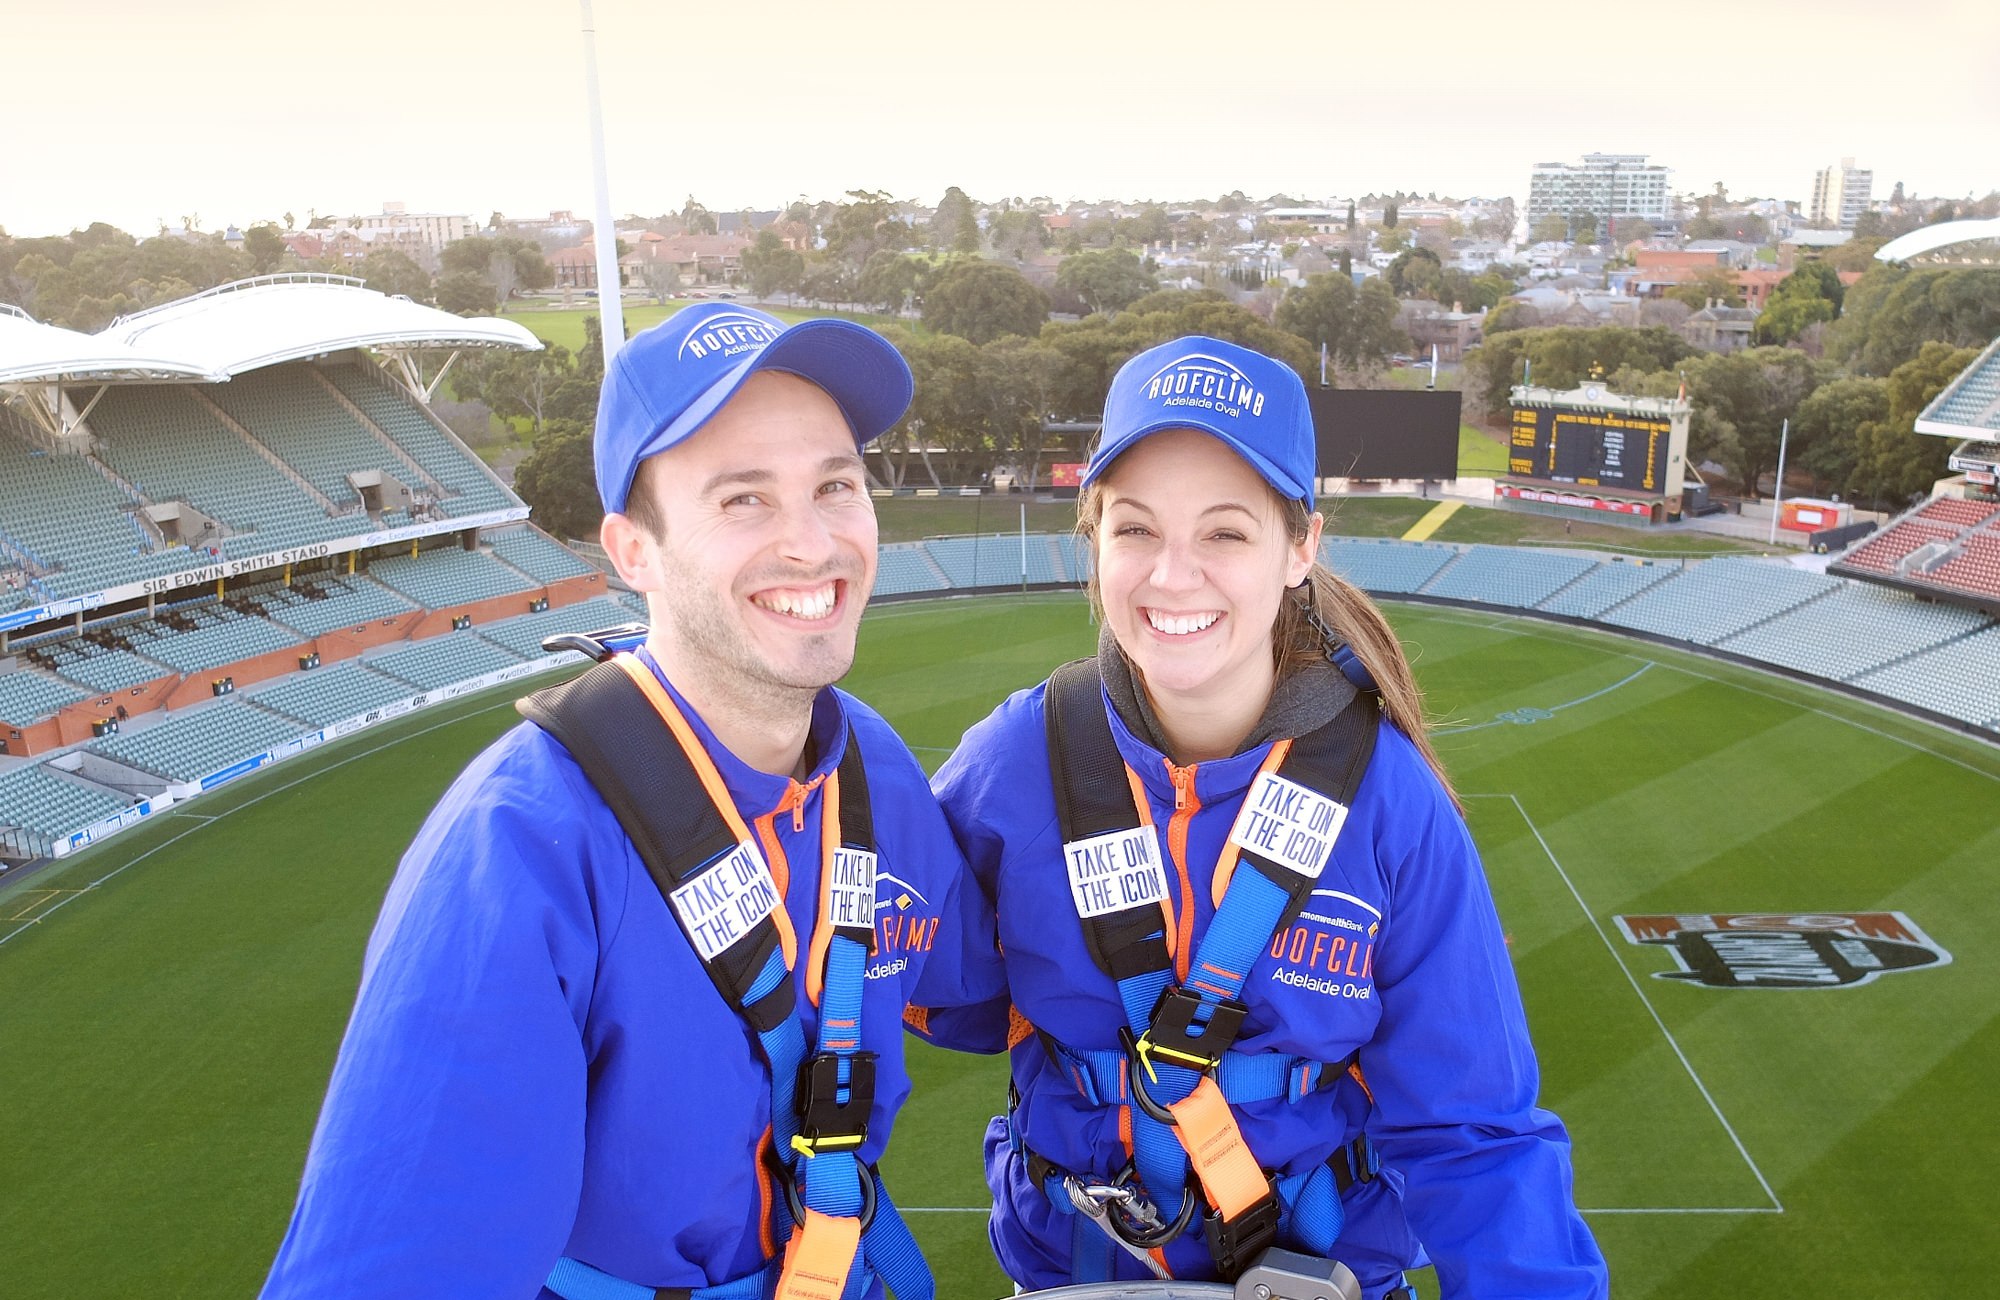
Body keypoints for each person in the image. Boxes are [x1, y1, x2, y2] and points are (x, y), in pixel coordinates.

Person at [261, 303, 1001, 1300]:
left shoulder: (864, 766)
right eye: (743, 500)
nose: (811, 541)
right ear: (631, 551)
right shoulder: (519, 847)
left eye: (835, 484)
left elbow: (990, 990)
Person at [927, 336, 1607, 1298]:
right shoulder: (1016, 763)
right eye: (1134, 529)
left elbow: (1475, 1130)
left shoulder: (1386, 801)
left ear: (1301, 548)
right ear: (1094, 540)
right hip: (1079, 1279)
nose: (1172, 575)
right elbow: (906, 979)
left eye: (1225, 533)